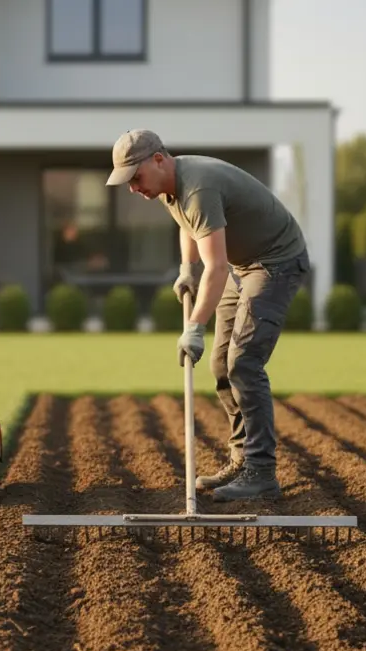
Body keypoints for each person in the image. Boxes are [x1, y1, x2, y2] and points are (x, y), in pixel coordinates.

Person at [106, 128, 310, 501]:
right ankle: (241, 459)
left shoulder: (199, 187)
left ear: (158, 159)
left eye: (135, 178)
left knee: (244, 363)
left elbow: (215, 269)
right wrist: (186, 267)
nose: (134, 189)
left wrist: (195, 327)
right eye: (127, 183)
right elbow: (191, 226)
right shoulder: (169, 186)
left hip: (275, 262)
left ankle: (261, 471)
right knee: (220, 364)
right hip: (243, 265)